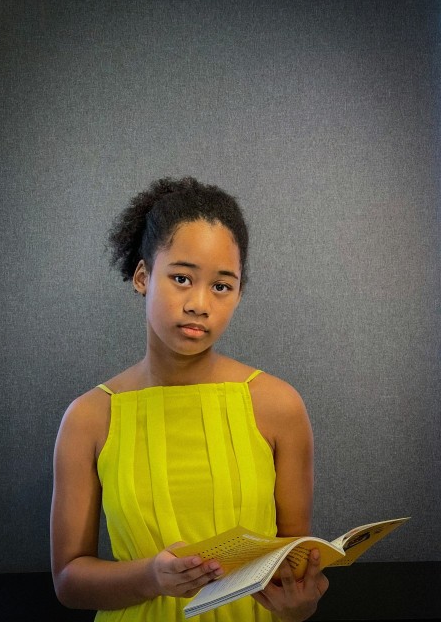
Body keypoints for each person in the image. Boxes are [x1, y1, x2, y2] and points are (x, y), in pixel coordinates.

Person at [50, 176, 329, 621]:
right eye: (181, 278)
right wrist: (151, 578)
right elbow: (68, 580)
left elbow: (294, 562)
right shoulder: (88, 418)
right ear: (143, 277)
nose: (200, 303)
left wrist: (298, 606)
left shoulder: (279, 406)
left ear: (238, 294)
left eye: (222, 286)